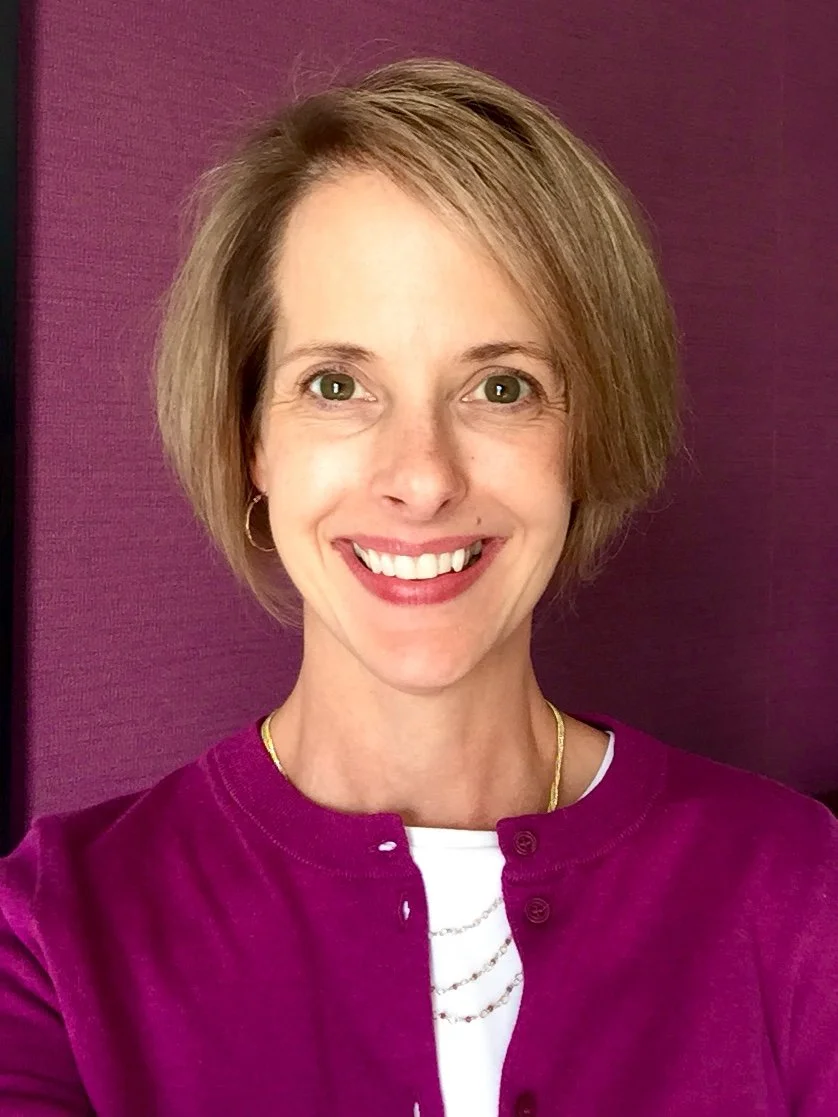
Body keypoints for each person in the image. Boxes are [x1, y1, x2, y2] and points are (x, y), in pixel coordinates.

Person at [1, 56, 836, 1117]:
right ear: (249, 435)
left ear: (586, 435)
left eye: (501, 386)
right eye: (336, 385)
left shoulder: (801, 887)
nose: (423, 476)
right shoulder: (53, 943)